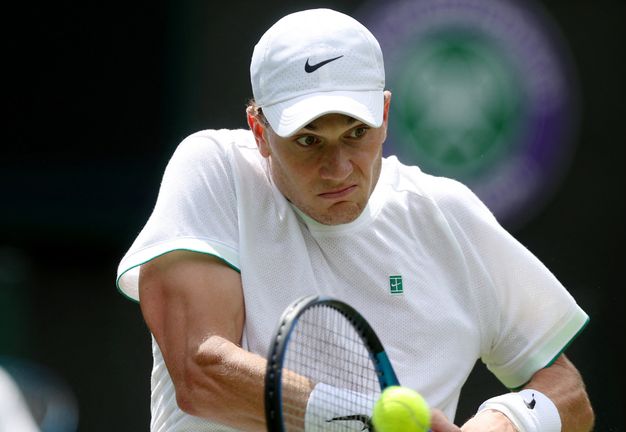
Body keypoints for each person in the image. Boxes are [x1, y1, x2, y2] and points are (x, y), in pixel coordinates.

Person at [116, 8, 594, 432]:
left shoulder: (448, 216)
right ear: (260, 132)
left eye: (356, 133)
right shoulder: (215, 168)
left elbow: (567, 392)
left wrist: (505, 423)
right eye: (308, 140)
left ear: (384, 116)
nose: (338, 167)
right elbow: (202, 373)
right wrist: (364, 422)